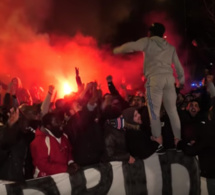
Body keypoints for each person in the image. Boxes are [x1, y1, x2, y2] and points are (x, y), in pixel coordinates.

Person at [113, 22, 185, 153]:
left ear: (151, 32)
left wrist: (117, 50)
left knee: (154, 112)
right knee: (172, 111)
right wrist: (181, 80)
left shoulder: (148, 42)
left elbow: (132, 46)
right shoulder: (170, 47)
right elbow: (179, 67)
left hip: (155, 79)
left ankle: (158, 142)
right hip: (169, 79)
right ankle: (178, 140)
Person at [30, 112, 79, 178]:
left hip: (61, 176)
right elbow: (42, 165)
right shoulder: (40, 141)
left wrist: (71, 162)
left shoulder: (64, 136)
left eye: (60, 120)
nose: (61, 123)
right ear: (48, 126)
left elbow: (68, 152)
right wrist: (65, 169)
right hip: (45, 180)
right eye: (56, 121)